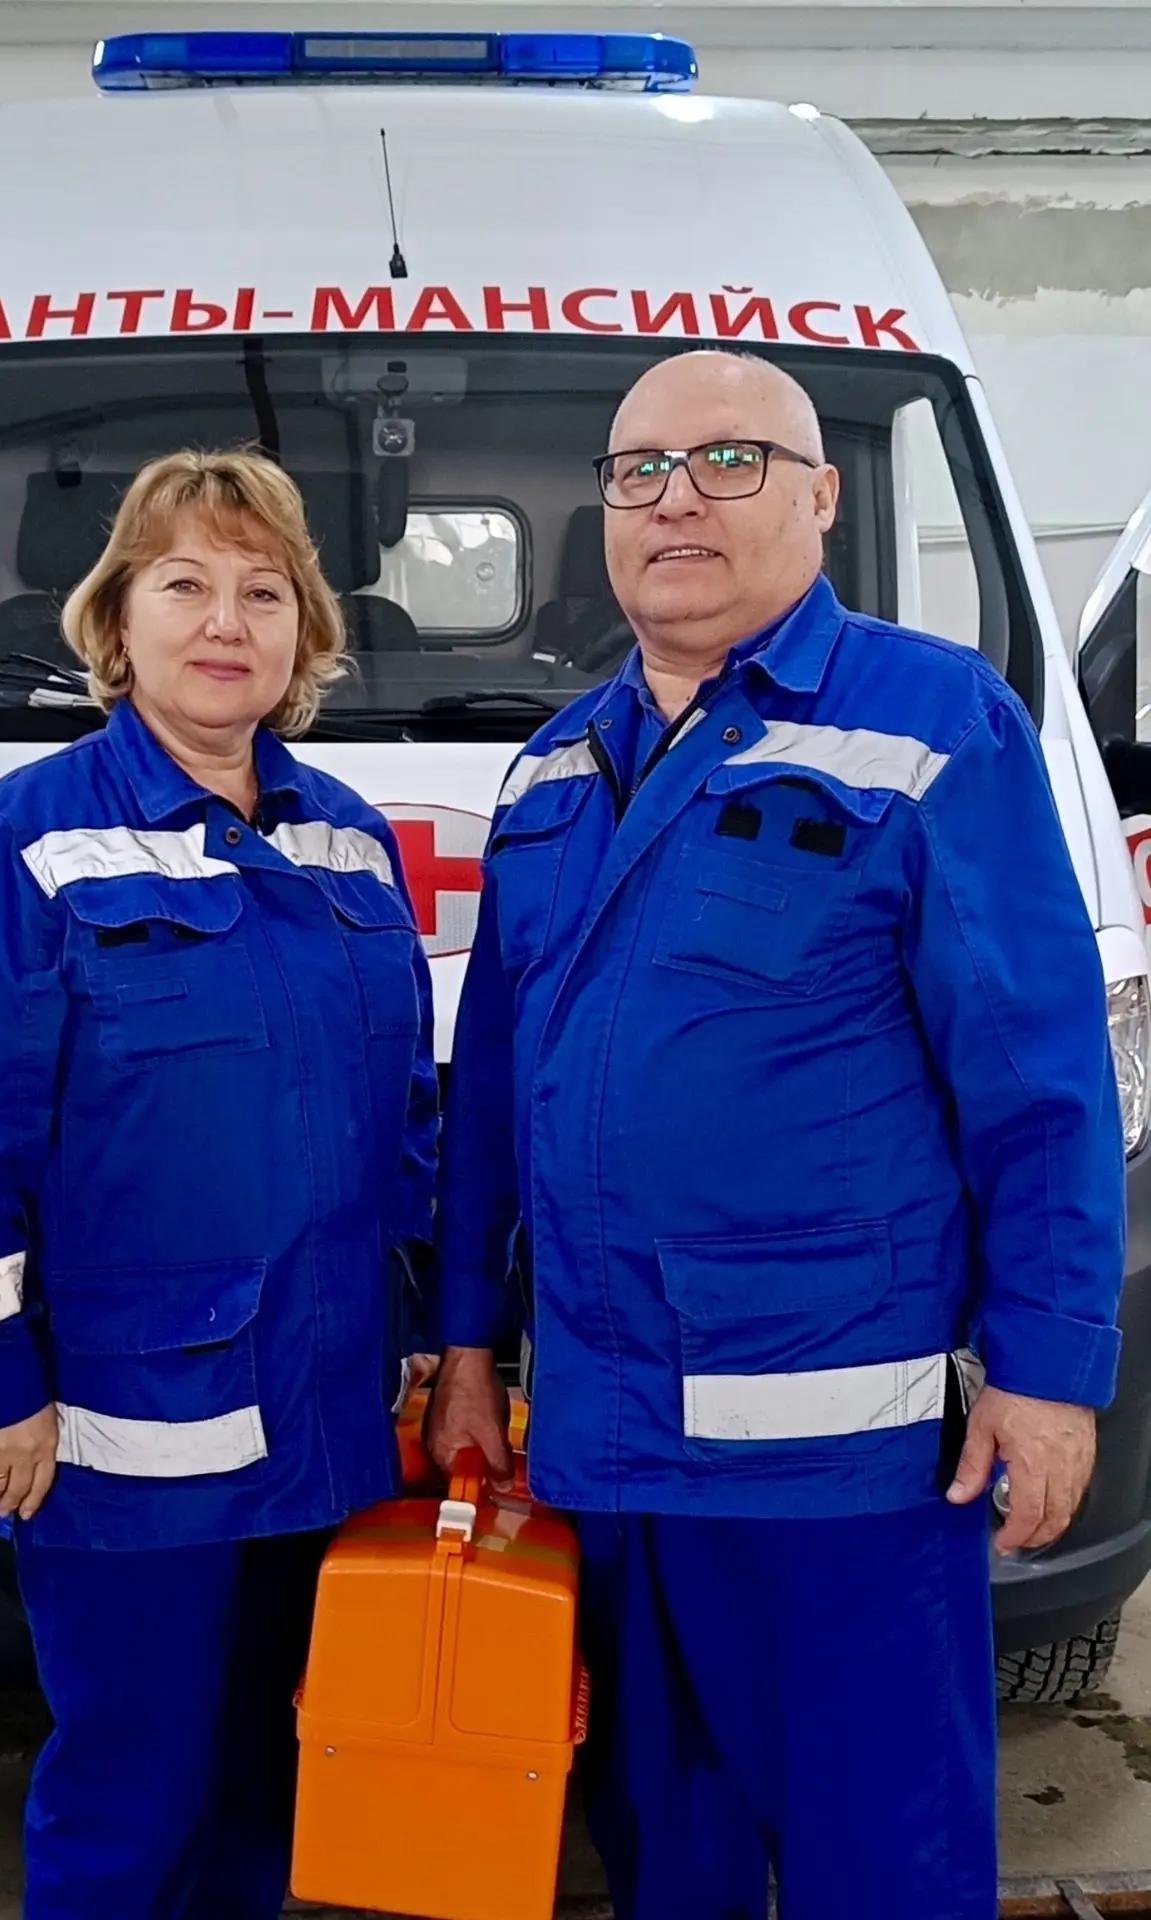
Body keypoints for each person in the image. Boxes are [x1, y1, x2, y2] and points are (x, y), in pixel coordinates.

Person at [428, 350, 1124, 1920]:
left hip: (834, 1462)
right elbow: (491, 1095)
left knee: (877, 1861)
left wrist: (1047, 1373)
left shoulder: (931, 719)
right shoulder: (552, 770)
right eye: (637, 471)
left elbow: (1034, 1077)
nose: (674, 500)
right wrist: (465, 1341)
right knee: (660, 1855)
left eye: (727, 461)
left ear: (819, 500)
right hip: (605, 1449)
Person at [0, 449, 438, 1920]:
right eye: (184, 584)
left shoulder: (347, 840)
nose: (226, 622)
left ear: (307, 635)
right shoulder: (27, 839)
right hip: (128, 1436)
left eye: (265, 591)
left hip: (326, 1413)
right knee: (132, 1786)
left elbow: (407, 1117)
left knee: (267, 1773)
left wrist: (428, 1331)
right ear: (116, 622)